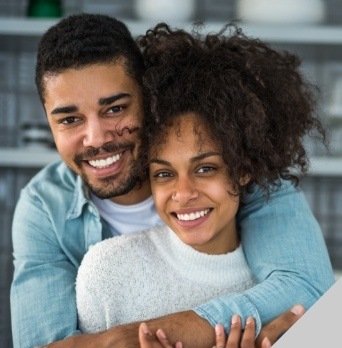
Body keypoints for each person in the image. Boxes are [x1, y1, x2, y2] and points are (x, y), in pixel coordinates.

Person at [10, 13, 334, 348]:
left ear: (147, 98)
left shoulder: (236, 162)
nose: (95, 138)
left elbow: (307, 291)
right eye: (69, 119)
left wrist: (128, 339)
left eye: (115, 109)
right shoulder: (43, 208)